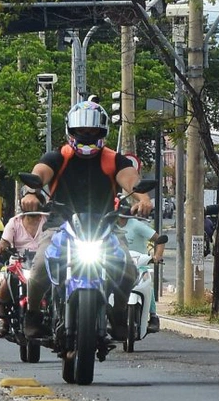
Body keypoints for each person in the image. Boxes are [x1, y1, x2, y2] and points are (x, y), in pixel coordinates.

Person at [20, 100, 153, 340]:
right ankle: (33, 315)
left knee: (127, 268)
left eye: (93, 131)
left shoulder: (114, 160)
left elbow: (131, 180)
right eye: (81, 131)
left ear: (103, 132)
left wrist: (143, 199)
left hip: (105, 227)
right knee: (39, 267)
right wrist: (31, 193)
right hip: (60, 226)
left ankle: (118, 314)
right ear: (71, 131)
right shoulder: (57, 157)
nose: (87, 136)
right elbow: (39, 174)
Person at [0, 196, 47, 337]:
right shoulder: (14, 222)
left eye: (35, 205)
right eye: (28, 205)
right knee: (5, 283)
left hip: (43, 262)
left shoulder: (48, 220)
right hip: (19, 261)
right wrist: (1, 248)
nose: (31, 208)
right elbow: (4, 242)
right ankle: (2, 319)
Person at [114, 213, 166, 333]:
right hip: (117, 265)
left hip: (139, 264)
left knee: (147, 283)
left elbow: (159, 239)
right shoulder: (109, 227)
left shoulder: (137, 225)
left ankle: (153, 315)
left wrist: (157, 256)